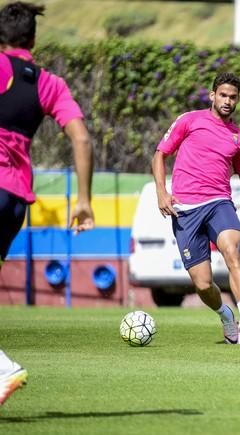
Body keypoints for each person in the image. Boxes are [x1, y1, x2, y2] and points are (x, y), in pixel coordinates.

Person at [152, 71, 240, 345]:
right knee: (203, 284)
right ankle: (225, 314)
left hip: (219, 202)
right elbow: (160, 154)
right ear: (212, 95)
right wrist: (161, 191)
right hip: (185, 210)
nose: (228, 101)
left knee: (233, 251)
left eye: (233, 97)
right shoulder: (189, 120)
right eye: (224, 95)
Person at [0, 2, 95, 405]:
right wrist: (84, 201)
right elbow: (82, 138)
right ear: (33, 40)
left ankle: (3, 368)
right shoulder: (48, 83)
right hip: (16, 200)